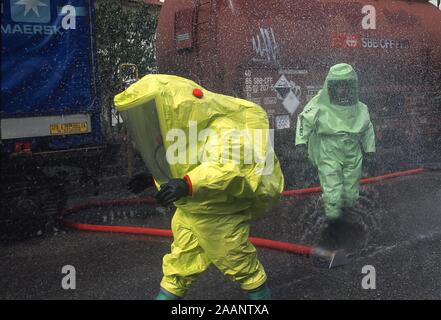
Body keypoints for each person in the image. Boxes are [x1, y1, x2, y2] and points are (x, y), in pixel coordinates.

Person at [114, 74, 284, 300]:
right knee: (180, 264)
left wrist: (187, 184)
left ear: (174, 109)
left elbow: (229, 169)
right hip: (190, 209)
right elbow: (182, 161)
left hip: (218, 211)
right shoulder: (182, 131)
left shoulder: (223, 128)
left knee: (239, 262)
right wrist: (153, 177)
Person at [295, 63, 376, 221]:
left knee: (351, 194)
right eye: (338, 86)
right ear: (331, 86)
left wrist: (370, 150)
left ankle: (346, 219)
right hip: (329, 150)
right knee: (333, 192)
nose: (342, 90)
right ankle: (333, 224)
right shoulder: (319, 103)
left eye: (346, 85)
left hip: (353, 150)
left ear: (352, 86)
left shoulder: (359, 108)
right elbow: (304, 120)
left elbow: (367, 129)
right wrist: (301, 143)